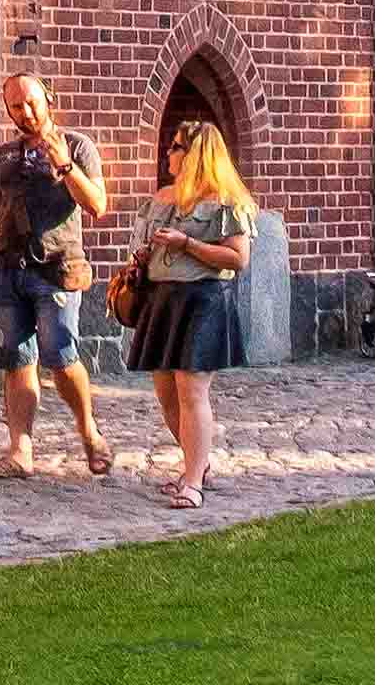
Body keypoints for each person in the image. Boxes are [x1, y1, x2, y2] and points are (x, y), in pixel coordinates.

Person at [0, 67, 116, 477]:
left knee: (61, 358)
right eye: (15, 106)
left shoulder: (78, 147)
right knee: (16, 361)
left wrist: (64, 166)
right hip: (8, 270)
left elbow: (97, 205)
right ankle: (20, 451)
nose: (25, 111)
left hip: (56, 270)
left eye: (31, 102)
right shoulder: (4, 157)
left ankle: (89, 432)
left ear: (48, 99)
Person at [120, 115, 259, 508]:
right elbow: (145, 247)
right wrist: (142, 260)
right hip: (162, 300)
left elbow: (237, 258)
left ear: (194, 153)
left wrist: (187, 245)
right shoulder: (162, 198)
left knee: (191, 392)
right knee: (166, 393)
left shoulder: (225, 202)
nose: (169, 152)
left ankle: (193, 482)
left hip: (202, 301)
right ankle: (197, 464)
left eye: (176, 146)